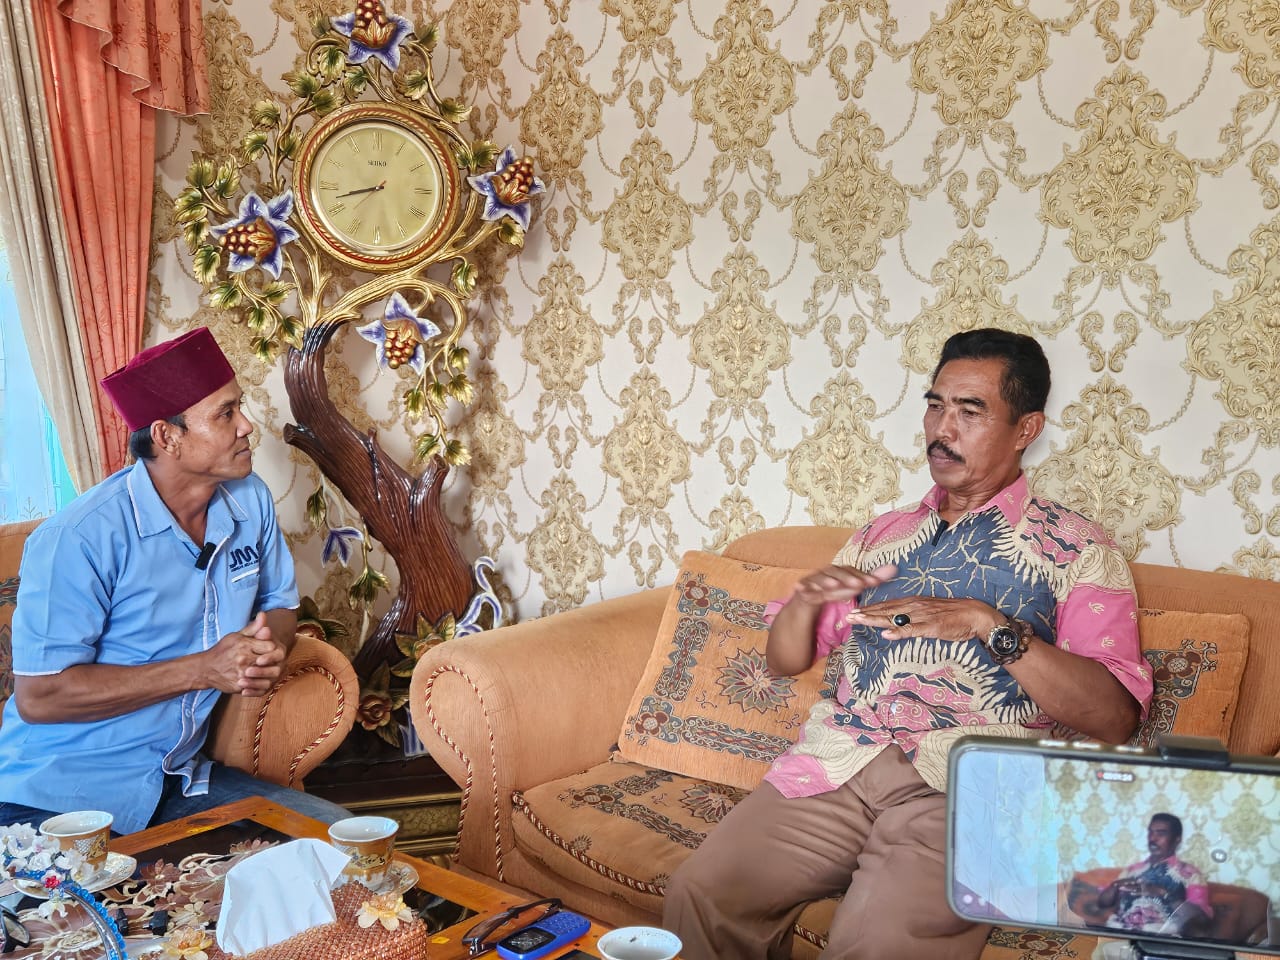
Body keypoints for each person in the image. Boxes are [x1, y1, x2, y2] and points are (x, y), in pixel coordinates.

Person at [662, 328, 1154, 960]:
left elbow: (1115, 718)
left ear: (1026, 429)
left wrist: (988, 625)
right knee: (701, 893)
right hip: (841, 763)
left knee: (876, 945)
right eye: (935, 405)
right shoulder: (881, 537)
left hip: (972, 787)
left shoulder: (1079, 550)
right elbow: (783, 660)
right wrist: (807, 602)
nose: (942, 429)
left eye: (970, 411)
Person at [0, 327, 349, 834]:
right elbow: (40, 697)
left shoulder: (249, 499)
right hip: (53, 796)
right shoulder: (77, 538)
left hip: (178, 782)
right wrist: (205, 669)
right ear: (166, 437)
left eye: (239, 407)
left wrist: (266, 650)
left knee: (336, 846)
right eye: (225, 414)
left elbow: (279, 603)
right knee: (113, 891)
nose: (247, 425)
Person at [1097, 814, 1212, 937]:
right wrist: (1115, 886)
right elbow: (1102, 903)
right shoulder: (1132, 870)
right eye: (1150, 832)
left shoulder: (1190, 874)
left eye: (1161, 833)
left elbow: (1200, 919)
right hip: (1119, 933)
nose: (1152, 838)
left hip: (1159, 940)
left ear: (1177, 839)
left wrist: (1164, 894)